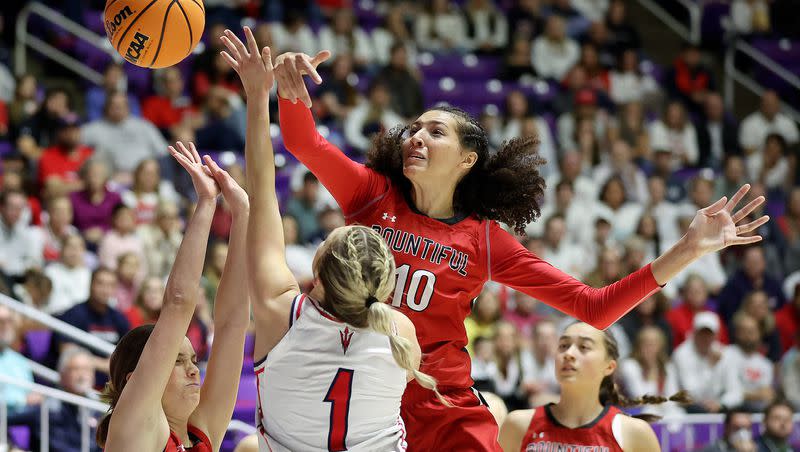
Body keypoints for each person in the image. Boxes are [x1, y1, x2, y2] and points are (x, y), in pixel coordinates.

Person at [258, 36, 769, 451]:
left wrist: (689, 249)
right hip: (372, 396)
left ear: (466, 159)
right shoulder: (373, 196)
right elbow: (305, 143)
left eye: (435, 131)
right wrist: (287, 84)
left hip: (445, 408)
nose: (415, 136)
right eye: (413, 128)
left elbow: (594, 307)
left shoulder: (484, 242)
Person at [218, 28, 440, 451]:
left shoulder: (281, 313)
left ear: (316, 271)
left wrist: (256, 95)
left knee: (249, 446)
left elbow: (263, 192)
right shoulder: (400, 330)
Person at [97, 141, 251, 451]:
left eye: (192, 360)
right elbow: (179, 303)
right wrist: (206, 202)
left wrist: (242, 213)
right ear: (134, 381)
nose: (194, 370)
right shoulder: (135, 426)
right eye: (177, 362)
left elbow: (233, 323)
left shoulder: (200, 432)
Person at [498, 322, 678, 451]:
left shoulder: (633, 432)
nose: (568, 354)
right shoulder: (518, 425)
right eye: (563, 345)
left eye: (584, 347)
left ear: (609, 367)